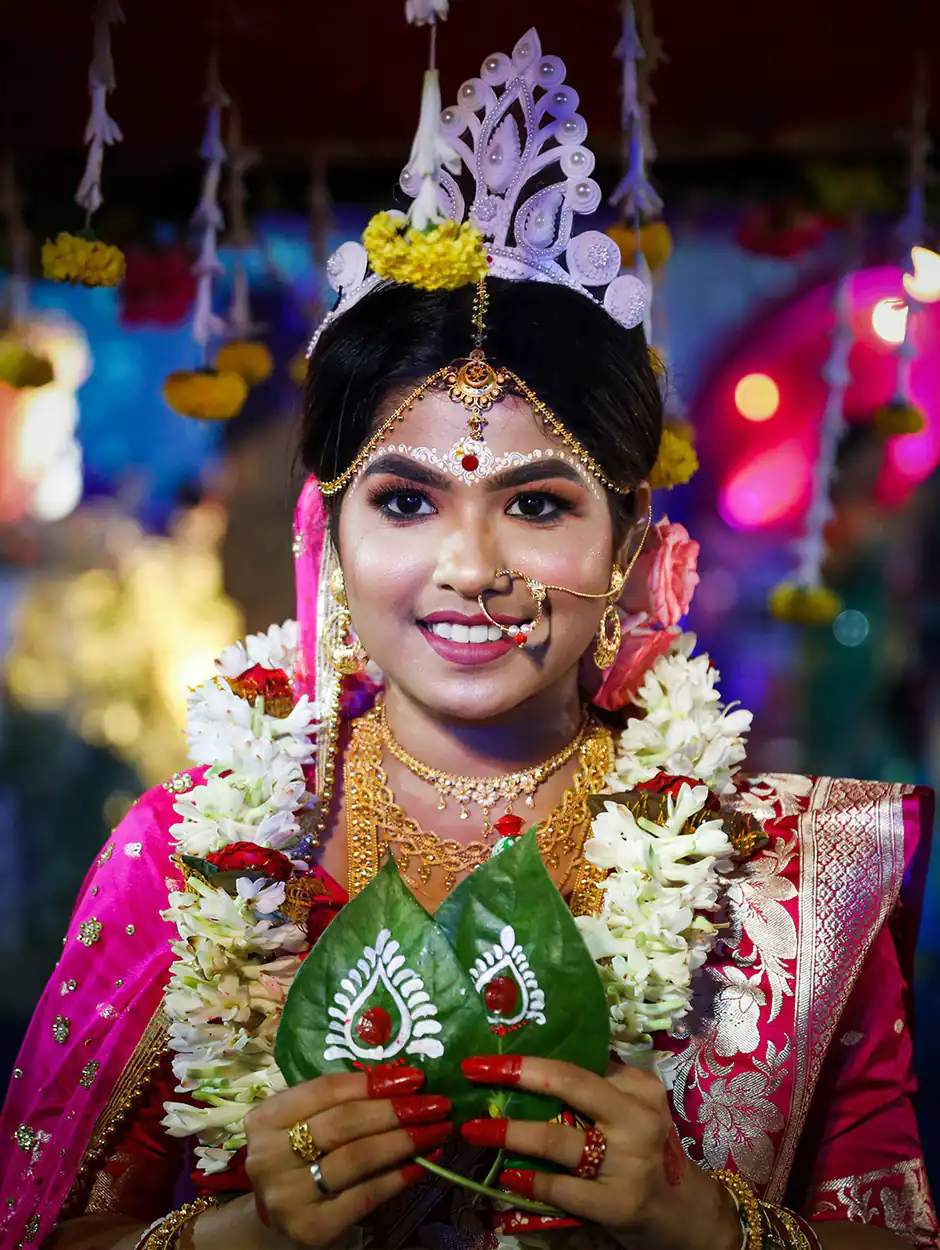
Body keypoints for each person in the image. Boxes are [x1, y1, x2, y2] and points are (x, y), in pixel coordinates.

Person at [2, 27, 936, 1250]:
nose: (473, 568)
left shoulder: (782, 873)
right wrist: (243, 1238)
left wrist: (707, 1225)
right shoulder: (183, 860)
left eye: (538, 504)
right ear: (327, 530)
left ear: (627, 540)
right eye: (404, 500)